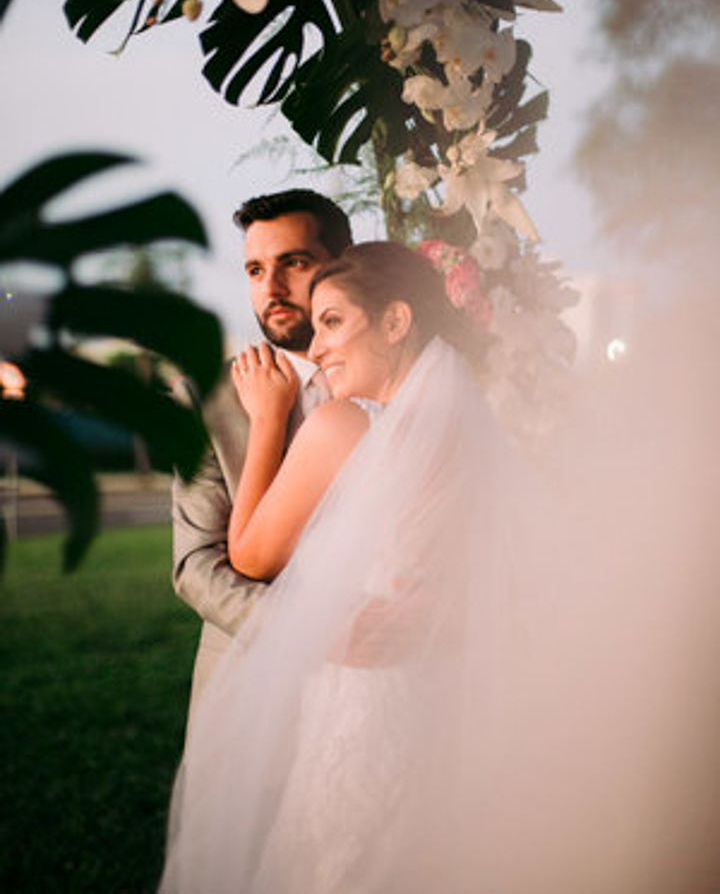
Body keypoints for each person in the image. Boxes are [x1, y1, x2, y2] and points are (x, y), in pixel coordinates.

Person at [160, 241, 541, 893]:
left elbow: (248, 554)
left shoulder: (346, 424)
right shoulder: (471, 435)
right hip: (447, 696)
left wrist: (267, 418)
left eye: (333, 321)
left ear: (395, 321)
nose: (318, 346)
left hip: (368, 699)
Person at [171, 188, 352, 717]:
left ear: (342, 265)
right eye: (255, 270)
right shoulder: (205, 400)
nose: (271, 288)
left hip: (387, 673)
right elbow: (195, 565)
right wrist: (311, 633)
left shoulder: (398, 381)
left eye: (294, 263)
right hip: (245, 683)